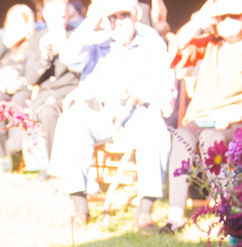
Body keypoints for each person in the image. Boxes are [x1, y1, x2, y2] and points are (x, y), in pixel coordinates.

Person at [47, 0, 174, 230]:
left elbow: (165, 78)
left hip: (135, 111)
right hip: (95, 110)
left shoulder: (151, 40)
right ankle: (79, 207)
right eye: (112, 16)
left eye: (123, 15)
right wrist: (92, 21)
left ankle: (144, 211)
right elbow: (67, 57)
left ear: (136, 14)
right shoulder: (96, 39)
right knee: (71, 121)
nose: (118, 21)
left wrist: (160, 102)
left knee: (156, 129)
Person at [164, 0, 242, 233]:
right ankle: (175, 215)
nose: (225, 22)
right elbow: (175, 52)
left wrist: (236, 114)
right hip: (203, 116)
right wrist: (200, 19)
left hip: (237, 121)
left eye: (232, 16)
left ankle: (226, 209)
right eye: (221, 17)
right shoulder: (211, 45)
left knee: (210, 137)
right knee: (182, 135)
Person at [25, 0, 81, 161]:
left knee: (60, 113)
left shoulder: (77, 35)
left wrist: (65, 49)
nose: (59, 20)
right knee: (46, 112)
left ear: (68, 14)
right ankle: (51, 163)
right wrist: (44, 58)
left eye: (62, 16)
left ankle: (63, 163)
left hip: (70, 92)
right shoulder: (37, 39)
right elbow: (30, 78)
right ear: (45, 15)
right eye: (55, 16)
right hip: (45, 95)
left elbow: (82, 70)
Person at [0, 4, 35, 161]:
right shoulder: (2, 42)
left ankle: (15, 152)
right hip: (1, 86)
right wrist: (7, 44)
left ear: (27, 24)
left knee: (17, 106)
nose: (14, 26)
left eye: (18, 22)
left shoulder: (33, 42)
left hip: (23, 86)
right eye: (11, 21)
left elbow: (32, 70)